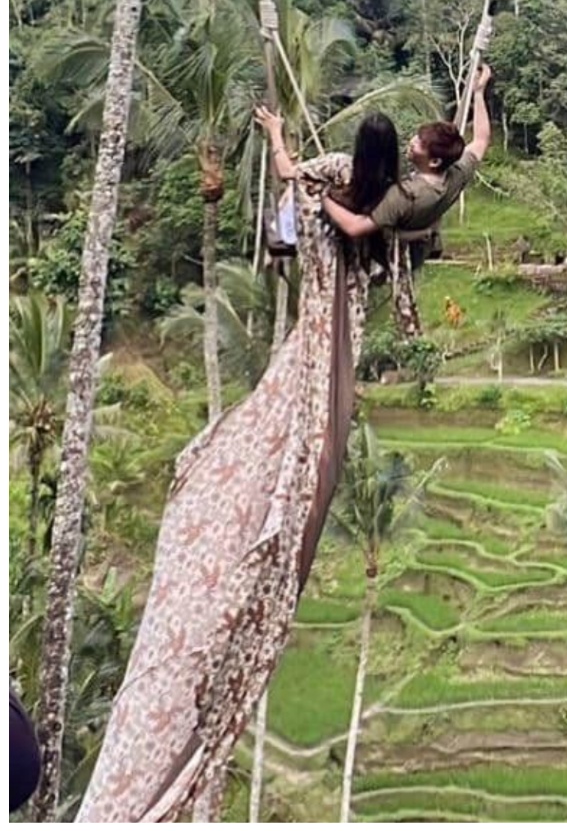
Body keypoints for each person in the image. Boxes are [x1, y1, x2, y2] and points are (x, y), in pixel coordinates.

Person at [80, 114, 396, 820]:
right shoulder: (392, 201)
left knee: (283, 436)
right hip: (332, 334)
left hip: (320, 333)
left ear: (357, 154)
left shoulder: (346, 199)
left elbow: (293, 179)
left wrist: (279, 136)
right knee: (292, 434)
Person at [309, 65, 494, 338]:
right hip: (419, 238)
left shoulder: (405, 195)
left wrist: (322, 197)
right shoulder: (456, 174)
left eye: (418, 143)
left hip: (394, 246)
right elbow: (481, 139)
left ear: (434, 161)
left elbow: (356, 227)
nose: (411, 142)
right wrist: (478, 93)